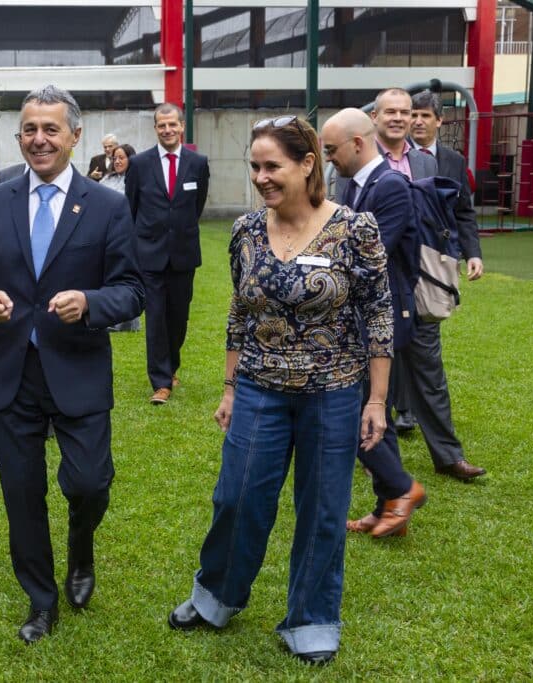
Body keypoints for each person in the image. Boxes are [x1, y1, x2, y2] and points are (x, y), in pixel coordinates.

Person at [168, 116, 393, 665]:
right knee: (236, 498)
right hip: (258, 389)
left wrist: (377, 399)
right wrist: (227, 388)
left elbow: (379, 313)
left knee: (322, 508)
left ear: (307, 163)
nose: (261, 177)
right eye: (254, 167)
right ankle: (217, 595)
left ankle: (312, 618)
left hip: (333, 393)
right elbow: (239, 314)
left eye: (273, 166)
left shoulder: (355, 228)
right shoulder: (246, 231)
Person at [0, 85, 143, 644]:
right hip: (10, 374)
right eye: (30, 129)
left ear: (75, 136)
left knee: (88, 484)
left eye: (51, 129)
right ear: (19, 136)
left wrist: (90, 303)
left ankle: (81, 550)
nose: (39, 139)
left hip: (77, 368)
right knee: (22, 494)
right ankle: (41, 600)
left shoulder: (106, 205)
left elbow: (132, 290)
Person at [322, 108, 428, 539]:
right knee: (366, 410)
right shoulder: (356, 186)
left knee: (359, 413)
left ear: (358, 144)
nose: (329, 159)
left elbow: (370, 257)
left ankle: (403, 488)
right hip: (359, 317)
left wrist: (322, 260)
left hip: (382, 318)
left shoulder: (392, 189)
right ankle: (388, 503)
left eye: (332, 150)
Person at [384, 90, 488, 481]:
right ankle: (371, 449)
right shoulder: (371, 162)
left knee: (429, 368)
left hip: (423, 280)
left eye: (413, 113)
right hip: (378, 284)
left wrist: (467, 252)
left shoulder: (436, 164)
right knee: (374, 370)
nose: (411, 120)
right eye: (399, 113)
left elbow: (461, 212)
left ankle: (447, 456)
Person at [125, 103, 210, 405]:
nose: (167, 130)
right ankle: (160, 382)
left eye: (172, 125)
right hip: (149, 253)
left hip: (184, 253)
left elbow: (195, 205)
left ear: (181, 126)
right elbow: (131, 207)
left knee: (179, 317)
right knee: (156, 317)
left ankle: (171, 365)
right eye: (161, 126)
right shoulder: (139, 164)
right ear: (155, 129)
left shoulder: (198, 163)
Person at [101, 144, 142, 332]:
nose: (117, 161)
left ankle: (129, 322)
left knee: (127, 278)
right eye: (115, 158)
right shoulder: (106, 180)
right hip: (106, 234)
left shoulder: (137, 180)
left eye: (121, 158)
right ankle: (111, 319)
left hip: (129, 234)